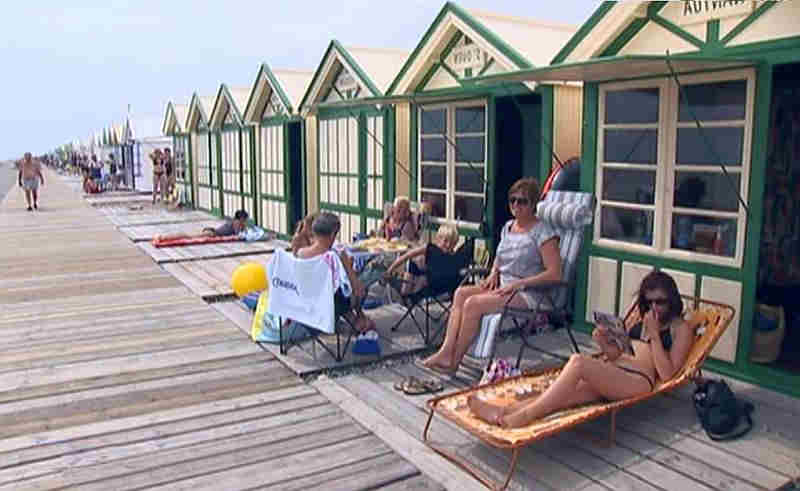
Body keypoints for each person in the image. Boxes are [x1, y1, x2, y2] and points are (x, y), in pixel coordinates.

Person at [468, 271, 693, 428]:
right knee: (564, 395)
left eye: (660, 302)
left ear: (671, 300)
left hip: (638, 380)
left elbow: (667, 374)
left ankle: (523, 417)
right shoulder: (644, 319)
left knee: (578, 362)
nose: (654, 307)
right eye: (649, 301)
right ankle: (503, 413)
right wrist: (605, 342)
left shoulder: (680, 329)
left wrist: (654, 334)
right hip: (615, 370)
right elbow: (619, 354)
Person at [420, 177, 562, 374]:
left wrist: (520, 283)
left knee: (473, 304)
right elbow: (500, 256)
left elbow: (555, 274)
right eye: (512, 200)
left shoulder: (543, 232)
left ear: (533, 204)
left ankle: (455, 361)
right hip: (503, 285)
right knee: (461, 293)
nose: (516, 205)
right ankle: (445, 351)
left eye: (522, 201)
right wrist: (494, 271)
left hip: (530, 293)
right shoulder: (508, 227)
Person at [296, 212, 375, 333]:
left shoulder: (301, 253)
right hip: (331, 306)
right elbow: (355, 287)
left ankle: (356, 321)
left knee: (337, 292)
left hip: (306, 304)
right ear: (333, 234)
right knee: (360, 288)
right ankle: (359, 322)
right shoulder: (336, 256)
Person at [385, 225, 459, 295]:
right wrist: (390, 269)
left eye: (452, 243)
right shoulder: (429, 248)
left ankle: (410, 297)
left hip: (431, 279)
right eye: (445, 241)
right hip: (415, 268)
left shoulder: (452, 256)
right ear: (438, 239)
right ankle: (405, 295)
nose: (448, 245)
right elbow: (406, 256)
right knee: (406, 290)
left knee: (420, 285)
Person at [154, 209, 249, 241]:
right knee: (188, 236)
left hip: (212, 231)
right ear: (241, 218)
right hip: (212, 233)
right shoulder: (236, 222)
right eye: (244, 220)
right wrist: (244, 227)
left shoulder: (235, 222)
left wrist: (244, 227)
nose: (245, 221)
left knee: (189, 235)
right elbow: (238, 235)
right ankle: (163, 237)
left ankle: (164, 237)